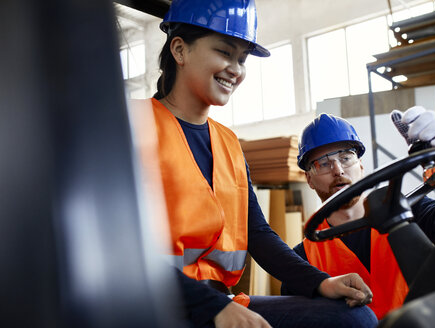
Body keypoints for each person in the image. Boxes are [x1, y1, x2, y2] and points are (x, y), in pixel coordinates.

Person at [129, 0, 379, 327]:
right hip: (151, 306)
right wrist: (213, 308)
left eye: (242, 59)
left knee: (353, 319)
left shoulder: (228, 143)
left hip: (218, 300)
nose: (236, 69)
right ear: (180, 50)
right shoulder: (132, 125)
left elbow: (258, 234)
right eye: (224, 52)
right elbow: (121, 247)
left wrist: (320, 282)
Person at [281, 108, 435, 319]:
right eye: (322, 163)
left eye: (346, 157)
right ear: (309, 180)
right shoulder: (302, 259)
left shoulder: (407, 212)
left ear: (360, 165)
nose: (338, 170)